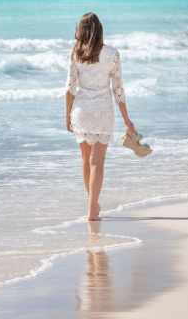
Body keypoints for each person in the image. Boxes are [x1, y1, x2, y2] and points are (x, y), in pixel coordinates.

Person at [65, 13, 135, 221]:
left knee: (86, 161)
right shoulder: (112, 53)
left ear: (81, 30)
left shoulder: (76, 53)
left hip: (81, 111)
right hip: (103, 111)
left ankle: (93, 206)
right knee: (98, 163)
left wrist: (67, 115)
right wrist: (126, 119)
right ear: (100, 29)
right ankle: (92, 210)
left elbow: (70, 88)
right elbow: (118, 90)